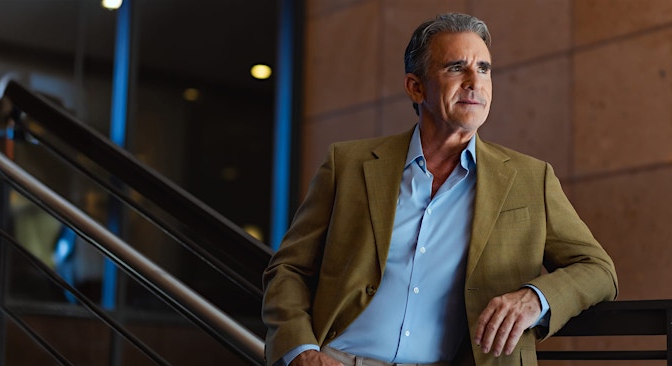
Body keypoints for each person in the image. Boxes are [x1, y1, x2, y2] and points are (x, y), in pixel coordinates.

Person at [262, 13, 618, 366]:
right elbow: (289, 269)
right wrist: (301, 352)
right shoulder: (348, 165)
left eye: (484, 68)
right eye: (455, 67)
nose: (474, 82)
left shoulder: (531, 178)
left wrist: (535, 298)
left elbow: (598, 269)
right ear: (416, 87)